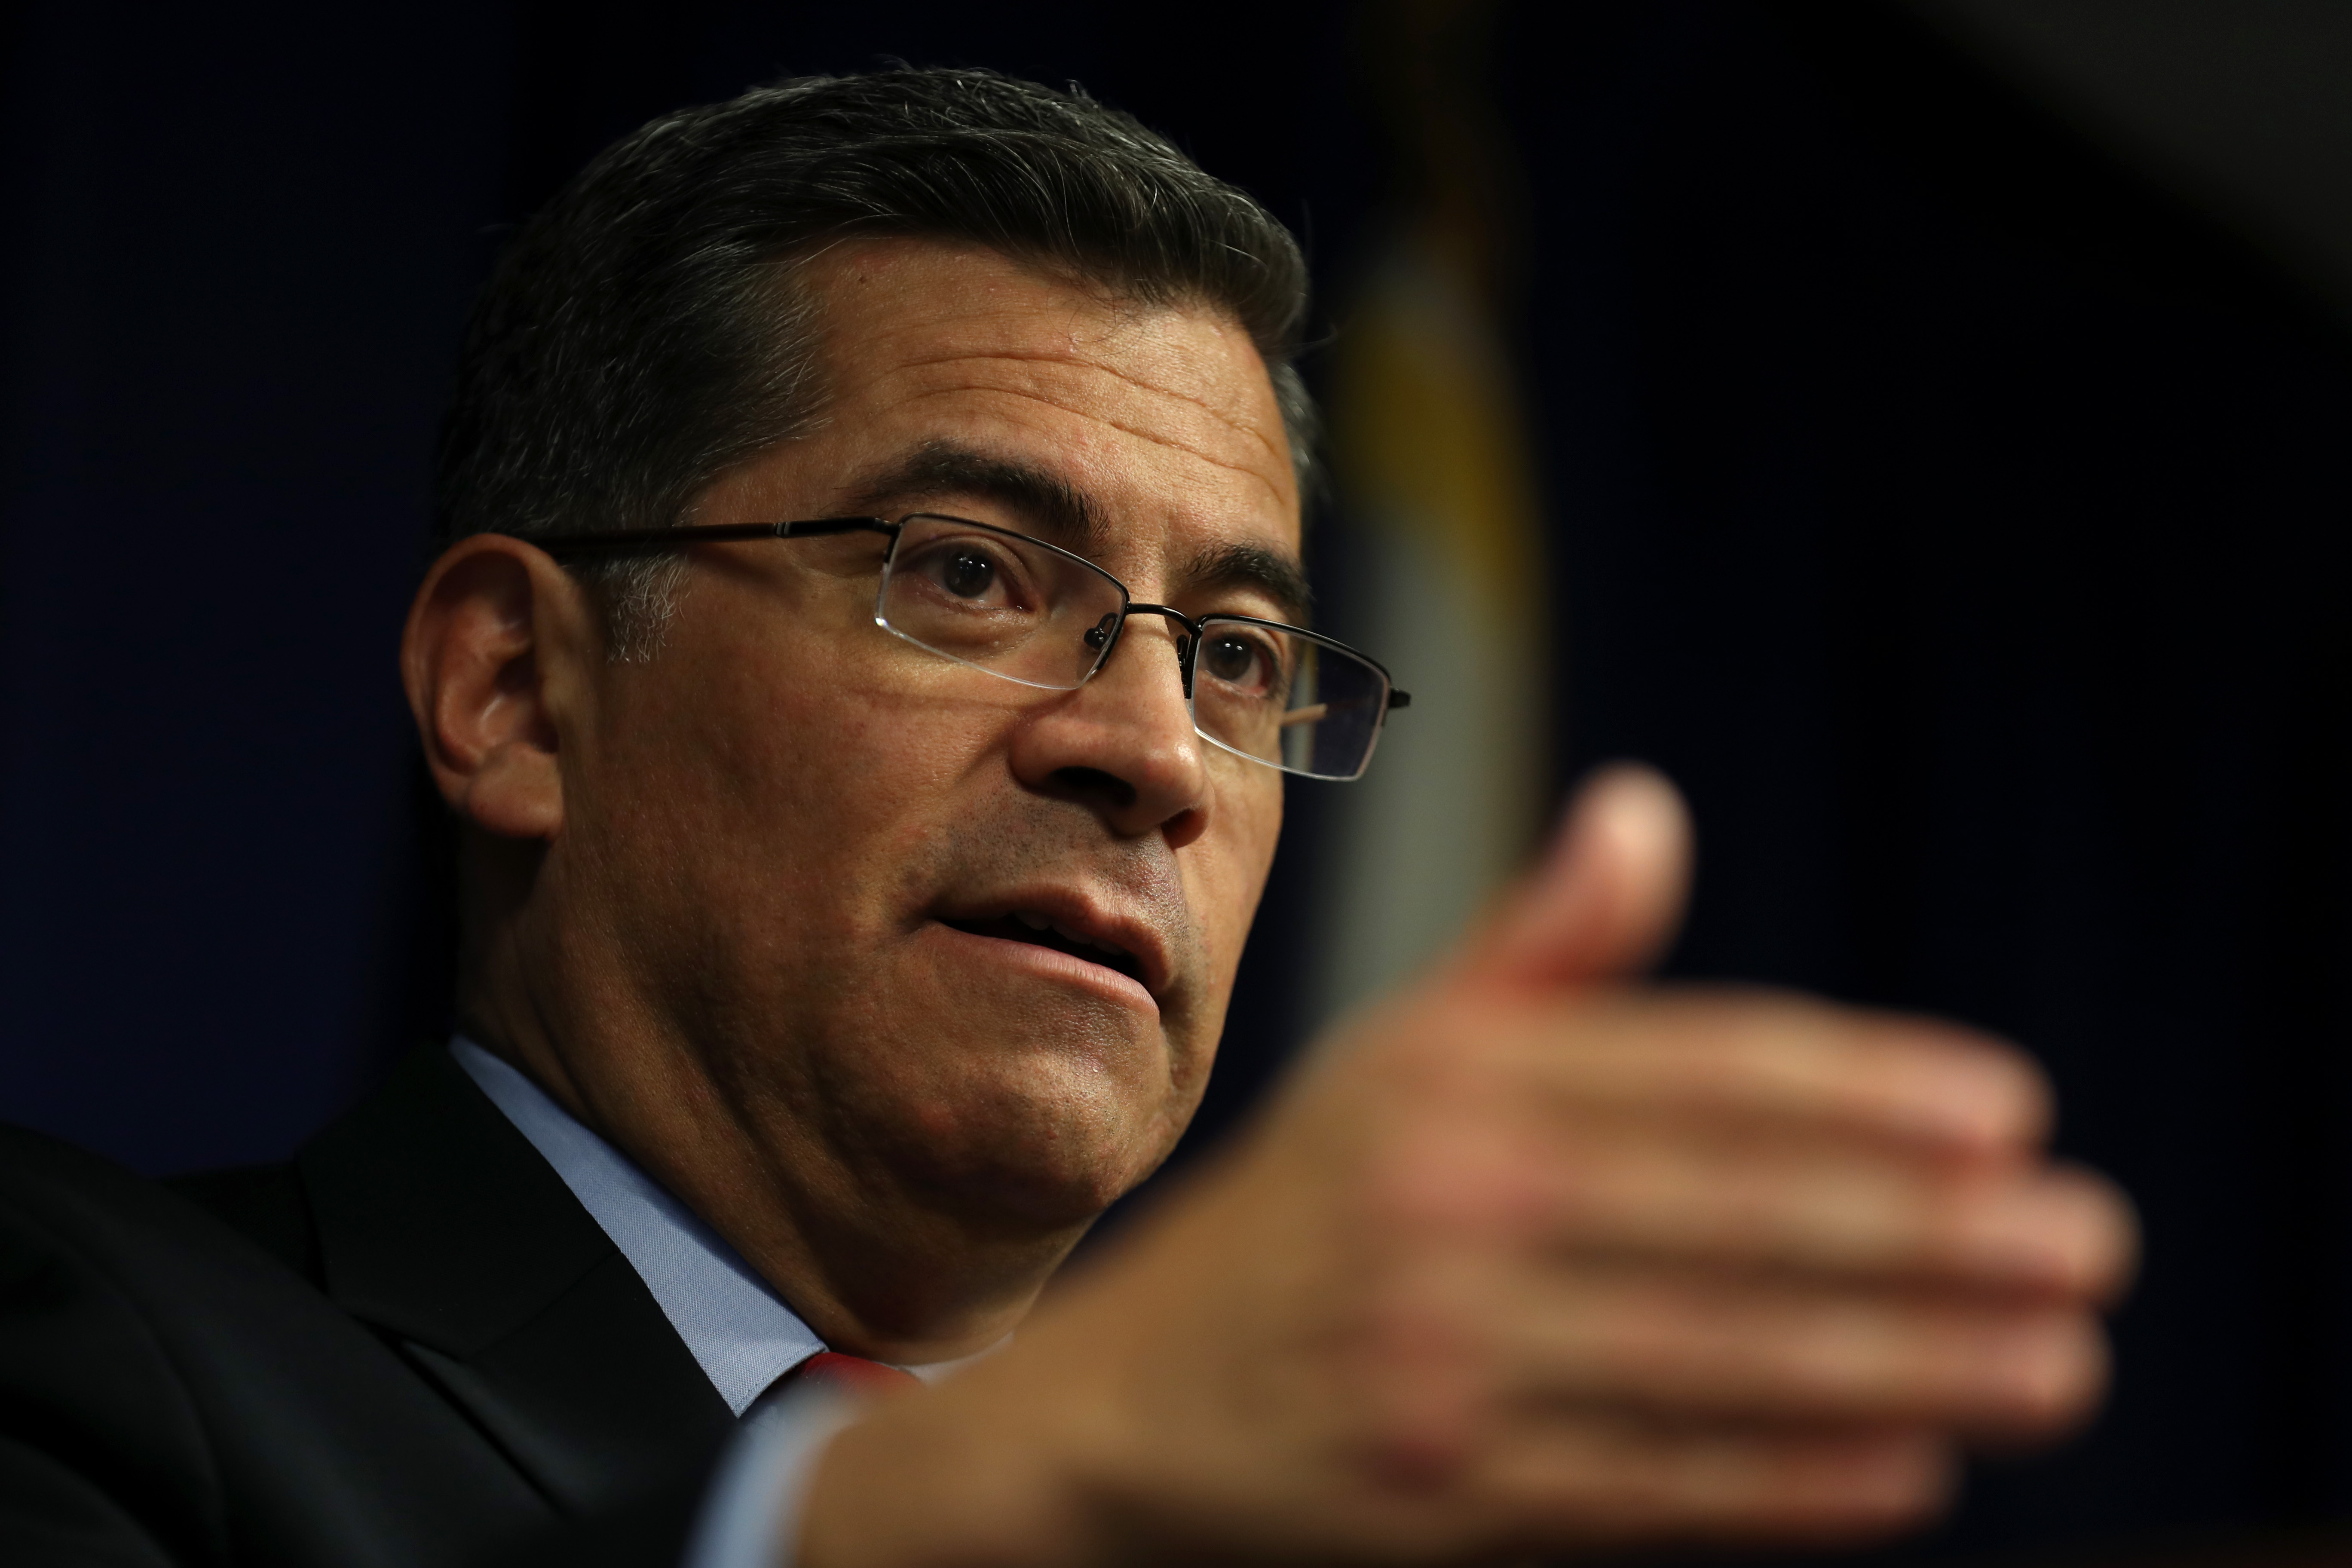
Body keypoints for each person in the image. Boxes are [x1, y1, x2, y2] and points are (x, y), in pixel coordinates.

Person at [0, 67, 2134, 1567]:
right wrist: (943, 1506)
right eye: (966, 574)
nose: (1154, 753)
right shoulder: (75, 1349)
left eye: (1236, 656)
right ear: (515, 693)